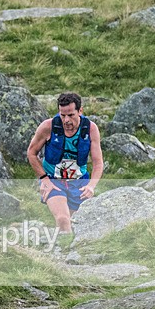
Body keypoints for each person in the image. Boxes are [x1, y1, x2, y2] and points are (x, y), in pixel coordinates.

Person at [27, 92, 103, 233]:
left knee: (77, 223)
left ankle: (64, 244)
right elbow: (31, 153)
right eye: (62, 115)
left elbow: (98, 163)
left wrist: (91, 186)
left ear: (80, 111)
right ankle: (63, 244)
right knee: (63, 219)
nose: (66, 120)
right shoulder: (48, 126)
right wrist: (44, 180)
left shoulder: (91, 129)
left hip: (79, 183)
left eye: (71, 115)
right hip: (53, 181)